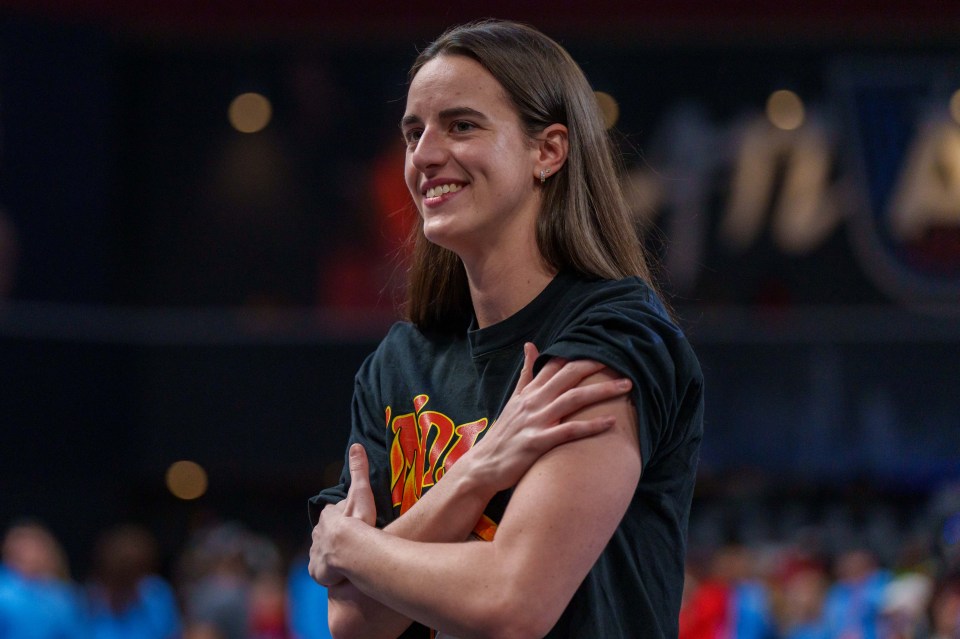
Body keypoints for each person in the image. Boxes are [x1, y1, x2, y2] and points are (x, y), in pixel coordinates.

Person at [308, 19, 704, 639]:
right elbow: (353, 621)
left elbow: (515, 599)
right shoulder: (398, 362)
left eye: (461, 125)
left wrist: (349, 547)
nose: (425, 154)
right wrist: (479, 471)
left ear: (548, 151)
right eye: (414, 132)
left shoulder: (616, 335)